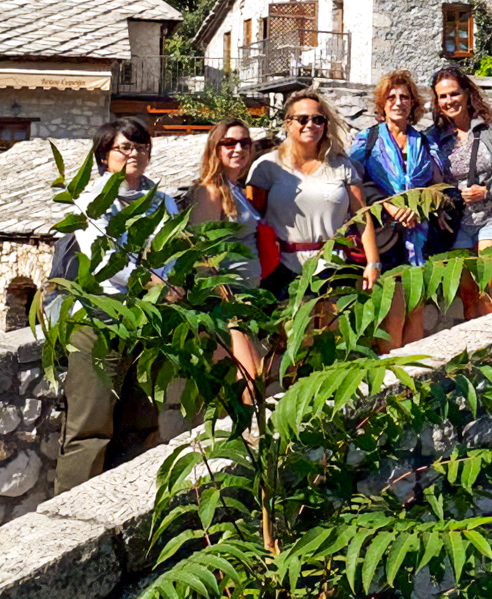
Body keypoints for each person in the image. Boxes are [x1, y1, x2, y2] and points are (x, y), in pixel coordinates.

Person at [55, 117, 181, 493]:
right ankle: (71, 513)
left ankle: (122, 502)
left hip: (148, 321)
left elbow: (170, 253)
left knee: (142, 421)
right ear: (103, 155)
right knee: (90, 427)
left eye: (141, 147)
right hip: (100, 320)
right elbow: (103, 260)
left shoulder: (163, 201)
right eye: (125, 147)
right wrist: (154, 281)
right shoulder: (92, 202)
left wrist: (165, 281)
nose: (135, 154)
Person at [246, 90, 388, 337]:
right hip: (282, 269)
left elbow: (361, 215)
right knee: (287, 345)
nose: (310, 124)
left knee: (329, 342)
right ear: (288, 123)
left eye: (318, 119)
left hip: (333, 266)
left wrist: (373, 262)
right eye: (302, 119)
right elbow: (252, 220)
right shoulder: (266, 167)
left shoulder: (341, 166)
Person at [349, 70, 444, 347]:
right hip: (383, 235)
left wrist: (420, 207)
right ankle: (393, 380)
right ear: (382, 103)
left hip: (418, 236)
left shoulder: (424, 142)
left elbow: (437, 188)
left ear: (414, 104)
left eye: (405, 97)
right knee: (392, 314)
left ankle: (414, 380)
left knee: (416, 311)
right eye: (391, 97)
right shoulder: (366, 141)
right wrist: (388, 206)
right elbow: (353, 186)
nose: (398, 102)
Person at [429, 66, 492, 318]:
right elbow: (430, 181)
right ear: (437, 102)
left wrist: (488, 191)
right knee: (467, 292)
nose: (449, 101)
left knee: (487, 285)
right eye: (443, 96)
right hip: (459, 221)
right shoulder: (436, 138)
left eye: (454, 94)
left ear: (467, 93)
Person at [187, 118, 265, 388]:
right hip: (227, 302)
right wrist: (225, 302)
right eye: (229, 143)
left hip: (246, 297)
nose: (238, 148)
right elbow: (201, 252)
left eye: (245, 142)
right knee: (250, 375)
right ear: (215, 148)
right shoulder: (209, 191)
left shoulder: (237, 190)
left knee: (254, 373)